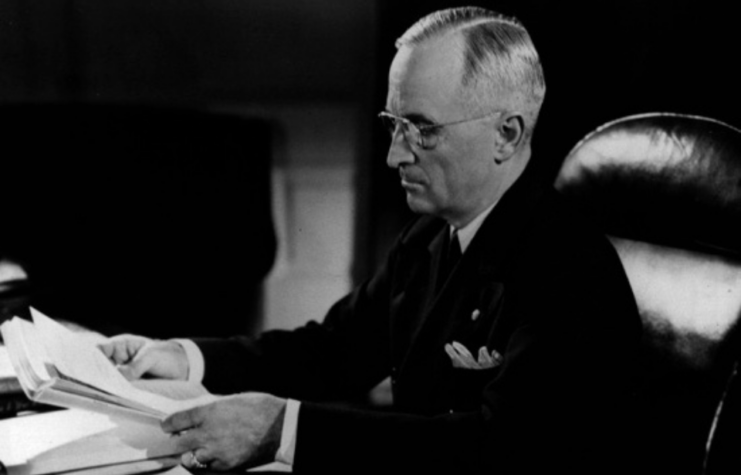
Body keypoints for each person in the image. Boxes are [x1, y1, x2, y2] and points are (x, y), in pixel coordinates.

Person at [100, 7, 641, 474]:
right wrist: (187, 358)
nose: (396, 156)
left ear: (508, 134)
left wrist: (282, 431)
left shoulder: (570, 269)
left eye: (423, 129)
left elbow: (498, 453)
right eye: (394, 124)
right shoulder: (429, 237)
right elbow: (335, 350)